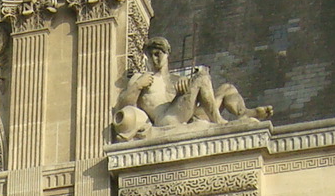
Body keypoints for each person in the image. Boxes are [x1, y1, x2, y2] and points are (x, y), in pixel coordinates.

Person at [113, 38, 271, 141]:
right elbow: (126, 106)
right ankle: (220, 122)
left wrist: (185, 88)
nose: (155, 59)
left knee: (227, 88)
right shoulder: (142, 77)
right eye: (152, 55)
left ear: (167, 55)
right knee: (202, 78)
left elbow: (187, 101)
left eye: (158, 54)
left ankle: (243, 113)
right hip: (166, 119)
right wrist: (138, 85)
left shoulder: (174, 79)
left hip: (185, 114)